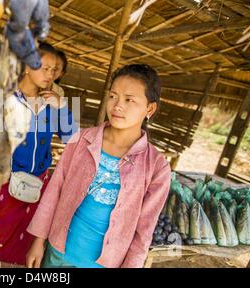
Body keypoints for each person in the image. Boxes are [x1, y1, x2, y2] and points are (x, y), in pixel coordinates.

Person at [26, 64, 171, 268]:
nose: (117, 105)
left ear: (150, 108)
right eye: (113, 96)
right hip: (56, 254)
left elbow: (144, 230)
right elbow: (55, 189)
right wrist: (39, 240)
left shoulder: (156, 166)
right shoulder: (82, 140)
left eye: (129, 99)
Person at [0, 43, 78, 267]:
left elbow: (72, 138)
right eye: (44, 68)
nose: (50, 74)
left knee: (25, 246)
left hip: (37, 183)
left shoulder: (52, 102)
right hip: (4, 183)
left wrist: (62, 108)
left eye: (53, 69)